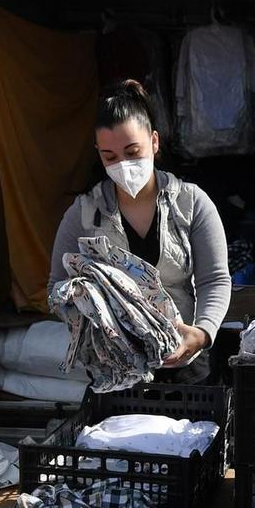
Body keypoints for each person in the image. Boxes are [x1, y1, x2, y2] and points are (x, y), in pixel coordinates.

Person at [49, 81, 230, 378]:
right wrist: (88, 304)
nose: (123, 165)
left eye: (133, 152)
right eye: (110, 157)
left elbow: (215, 279)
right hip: (115, 370)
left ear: (154, 142)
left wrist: (201, 333)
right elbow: (56, 285)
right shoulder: (83, 214)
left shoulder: (191, 203)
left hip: (185, 363)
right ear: (99, 154)